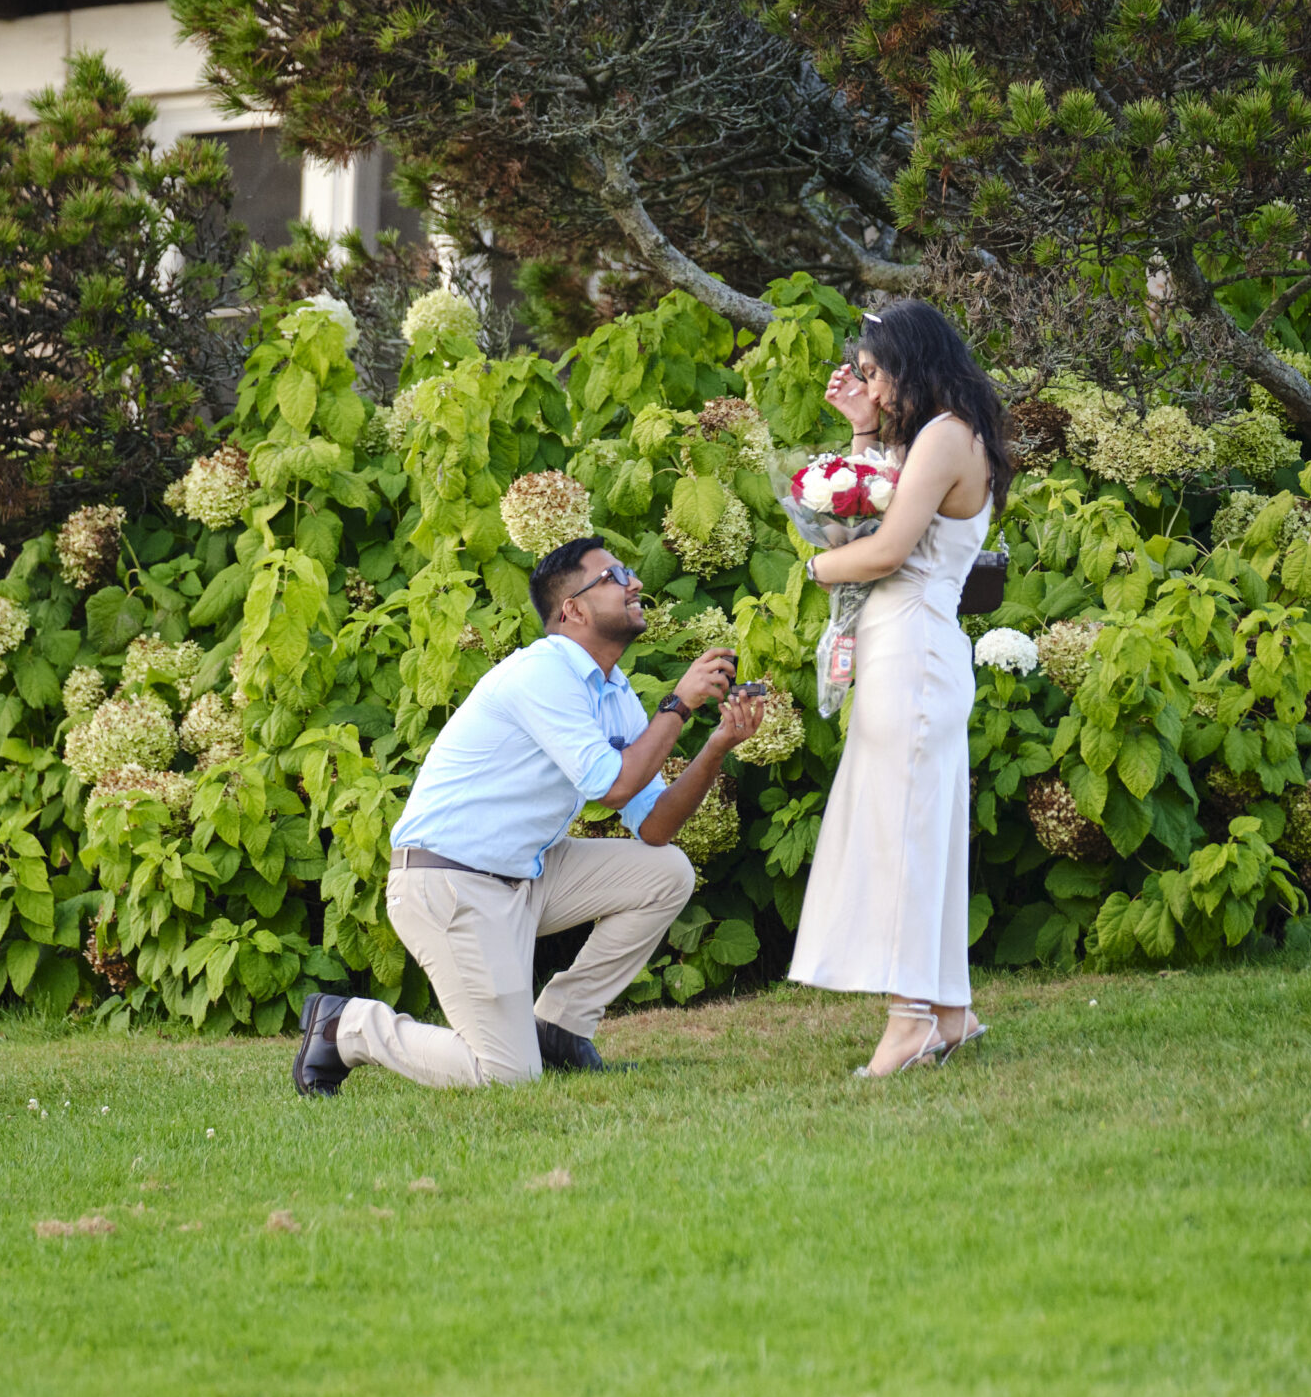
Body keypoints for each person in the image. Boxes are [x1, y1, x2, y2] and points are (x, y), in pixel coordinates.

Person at [291, 537, 763, 1093]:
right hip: (449, 883)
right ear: (574, 610)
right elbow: (611, 786)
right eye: (615, 577)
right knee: (505, 1076)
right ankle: (346, 1026)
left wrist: (715, 747)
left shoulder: (614, 692)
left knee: (666, 873)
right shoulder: (542, 673)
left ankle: (559, 1027)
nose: (635, 583)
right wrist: (679, 704)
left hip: (523, 876)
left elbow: (655, 827)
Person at [787, 300, 1012, 1077]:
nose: (874, 389)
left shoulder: (948, 437)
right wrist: (857, 429)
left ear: (912, 363)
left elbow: (882, 551)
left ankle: (910, 1018)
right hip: (906, 650)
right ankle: (950, 1010)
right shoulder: (934, 434)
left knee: (904, 838)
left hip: (914, 649)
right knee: (918, 829)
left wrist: (813, 569)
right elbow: (872, 503)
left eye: (878, 374)